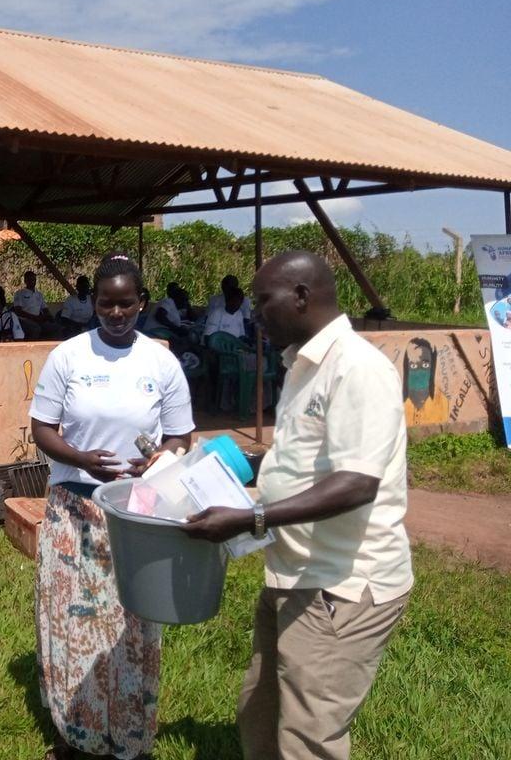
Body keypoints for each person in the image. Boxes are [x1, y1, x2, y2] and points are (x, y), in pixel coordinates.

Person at [181, 251, 413, 760]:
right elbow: (300, 458)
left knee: (309, 736)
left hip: (341, 585)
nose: (255, 315)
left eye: (264, 301)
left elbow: (356, 484)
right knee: (260, 710)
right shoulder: (302, 365)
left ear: (301, 296)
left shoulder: (357, 369)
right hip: (294, 572)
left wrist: (251, 518)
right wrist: (228, 465)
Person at [30, 254, 195, 760]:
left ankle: (128, 735)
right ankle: (76, 734)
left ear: (142, 302)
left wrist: (159, 461)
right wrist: (80, 459)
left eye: (126, 304)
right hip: (73, 509)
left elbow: (180, 436)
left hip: (137, 512)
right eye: (106, 304)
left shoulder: (161, 363)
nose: (116, 313)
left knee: (132, 623)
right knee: (72, 624)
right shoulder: (69, 357)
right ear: (93, 303)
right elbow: (42, 429)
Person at [13, 271, 53, 340]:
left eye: (34, 279)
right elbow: (18, 311)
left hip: (38, 319)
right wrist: (34, 318)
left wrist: (48, 316)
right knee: (35, 329)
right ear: (25, 281)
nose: (32, 281)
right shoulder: (19, 293)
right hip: (24, 320)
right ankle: (30, 346)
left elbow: (45, 309)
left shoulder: (39, 294)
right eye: (29, 279)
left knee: (55, 327)